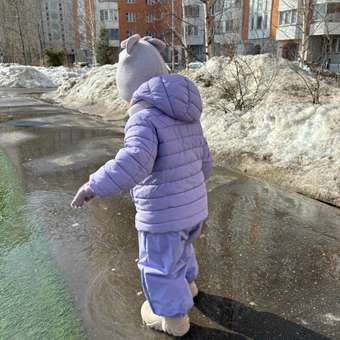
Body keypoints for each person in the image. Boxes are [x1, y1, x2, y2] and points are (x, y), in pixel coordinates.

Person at [71, 34, 213, 337]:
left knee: (159, 264)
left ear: (131, 86)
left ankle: (172, 318)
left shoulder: (144, 118)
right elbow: (205, 161)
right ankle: (188, 285)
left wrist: (95, 184)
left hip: (162, 215)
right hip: (194, 209)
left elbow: (134, 161)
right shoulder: (186, 114)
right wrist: (191, 192)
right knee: (183, 247)